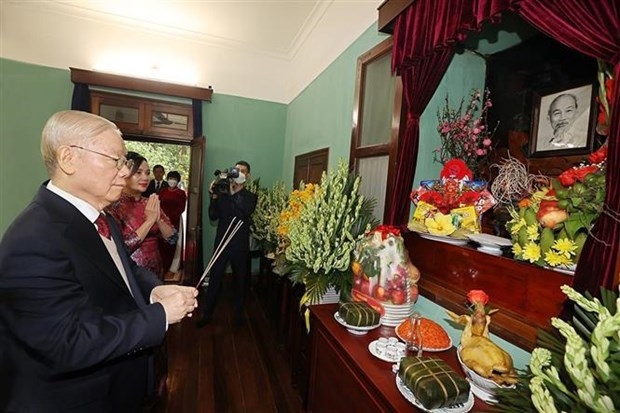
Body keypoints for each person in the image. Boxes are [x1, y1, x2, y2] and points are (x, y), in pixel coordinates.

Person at [0, 110, 198, 412]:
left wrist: (154, 291)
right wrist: (159, 315)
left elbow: (122, 268)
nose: (125, 172)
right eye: (115, 160)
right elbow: (67, 343)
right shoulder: (33, 238)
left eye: (125, 163)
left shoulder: (99, 215)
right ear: (69, 158)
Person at [196, 161, 257, 328]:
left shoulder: (251, 197)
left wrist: (231, 193)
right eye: (236, 170)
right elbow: (213, 216)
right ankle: (207, 314)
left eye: (242, 171)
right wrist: (213, 197)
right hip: (221, 243)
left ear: (248, 176)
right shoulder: (222, 193)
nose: (238, 173)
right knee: (215, 278)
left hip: (239, 246)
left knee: (240, 281)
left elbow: (244, 212)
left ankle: (238, 316)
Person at [106, 152, 178, 280]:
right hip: (130, 272)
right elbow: (121, 248)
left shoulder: (150, 202)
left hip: (156, 270)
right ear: (124, 173)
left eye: (147, 172)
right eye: (138, 173)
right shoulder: (112, 205)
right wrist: (149, 221)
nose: (145, 177)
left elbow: (172, 238)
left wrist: (158, 219)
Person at [158, 171, 187, 273]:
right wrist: (162, 218)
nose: (172, 181)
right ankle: (163, 266)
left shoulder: (181, 193)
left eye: (174, 179)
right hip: (161, 221)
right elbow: (158, 204)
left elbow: (182, 208)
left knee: (172, 243)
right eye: (170, 178)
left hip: (175, 221)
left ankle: (172, 266)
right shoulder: (162, 192)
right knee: (162, 243)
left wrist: (171, 218)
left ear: (178, 180)